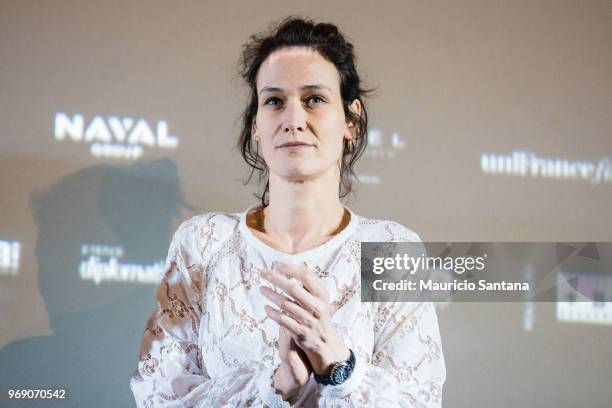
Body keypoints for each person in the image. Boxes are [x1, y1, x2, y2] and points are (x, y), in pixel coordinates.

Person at [130, 16, 446, 407]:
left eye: (314, 99)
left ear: (352, 120)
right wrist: (280, 386)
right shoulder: (203, 242)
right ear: (256, 126)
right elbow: (159, 397)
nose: (294, 120)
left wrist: (337, 366)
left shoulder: (393, 249)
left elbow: (420, 401)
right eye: (275, 101)